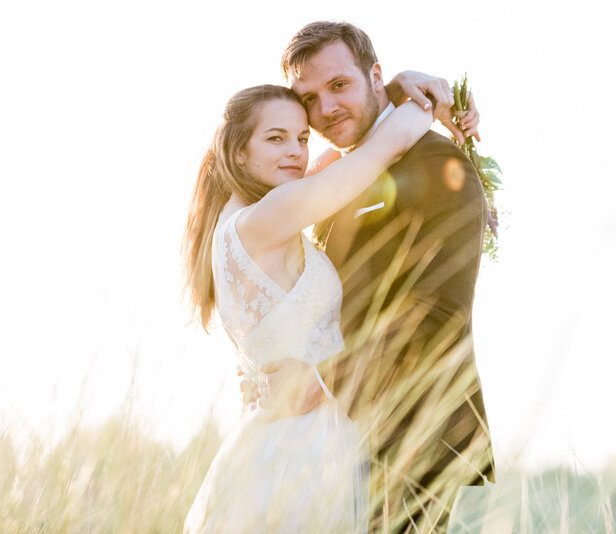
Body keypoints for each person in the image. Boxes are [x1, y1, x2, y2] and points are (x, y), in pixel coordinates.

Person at [246, 21, 495, 533]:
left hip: (414, 444)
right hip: (331, 445)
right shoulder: (332, 176)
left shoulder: (438, 165)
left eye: (339, 86)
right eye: (309, 98)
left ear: (375, 76)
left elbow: (437, 315)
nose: (326, 110)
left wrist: (316, 380)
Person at [181, 76, 440, 532]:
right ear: (238, 151)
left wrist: (395, 86)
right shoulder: (268, 217)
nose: (296, 152)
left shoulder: (242, 219)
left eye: (301, 138)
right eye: (276, 138)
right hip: (307, 448)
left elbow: (338, 161)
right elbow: (385, 147)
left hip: (274, 444)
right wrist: (432, 98)